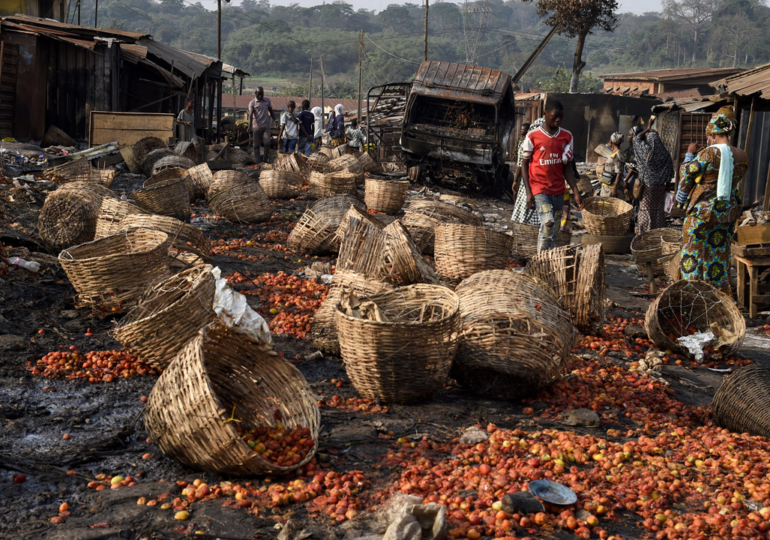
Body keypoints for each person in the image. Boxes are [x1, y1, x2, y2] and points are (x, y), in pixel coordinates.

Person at [676, 108, 747, 293]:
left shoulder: (708, 154)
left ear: (713, 133)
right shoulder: (742, 156)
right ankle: (717, 298)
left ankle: (691, 295)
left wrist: (690, 155)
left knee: (694, 255)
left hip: (701, 214)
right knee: (718, 257)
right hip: (726, 215)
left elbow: (687, 176)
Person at [521, 101, 583, 253]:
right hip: (539, 189)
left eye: (561, 117)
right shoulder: (533, 136)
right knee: (548, 222)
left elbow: (567, 167)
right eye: (555, 117)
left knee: (553, 230)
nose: (558, 120)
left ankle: (548, 259)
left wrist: (575, 191)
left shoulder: (566, 136)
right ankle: (541, 258)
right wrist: (529, 192)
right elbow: (524, 165)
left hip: (558, 191)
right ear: (545, 115)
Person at [632, 119, 674, 233]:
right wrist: (667, 186)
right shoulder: (665, 154)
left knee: (645, 210)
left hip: (647, 187)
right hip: (660, 187)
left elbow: (636, 139)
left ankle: (644, 232)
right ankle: (657, 232)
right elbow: (670, 173)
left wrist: (647, 128)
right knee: (658, 210)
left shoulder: (646, 151)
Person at [511, 121, 539, 225]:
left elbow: (520, 164)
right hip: (539, 183)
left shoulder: (525, 144)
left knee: (525, 206)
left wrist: (515, 180)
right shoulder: (523, 143)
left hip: (528, 181)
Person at [248, 87, 274, 165]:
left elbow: (271, 111)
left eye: (262, 94)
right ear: (255, 94)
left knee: (267, 143)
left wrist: (275, 120)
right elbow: (250, 115)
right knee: (256, 145)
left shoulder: (267, 100)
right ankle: (258, 161)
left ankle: (265, 160)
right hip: (256, 127)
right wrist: (249, 126)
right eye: (259, 94)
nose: (260, 96)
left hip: (266, 126)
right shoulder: (252, 103)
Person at [600, 131, 624, 198]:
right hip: (606, 187)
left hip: (611, 188)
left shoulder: (618, 155)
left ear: (611, 141)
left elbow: (619, 173)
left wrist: (615, 189)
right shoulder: (613, 153)